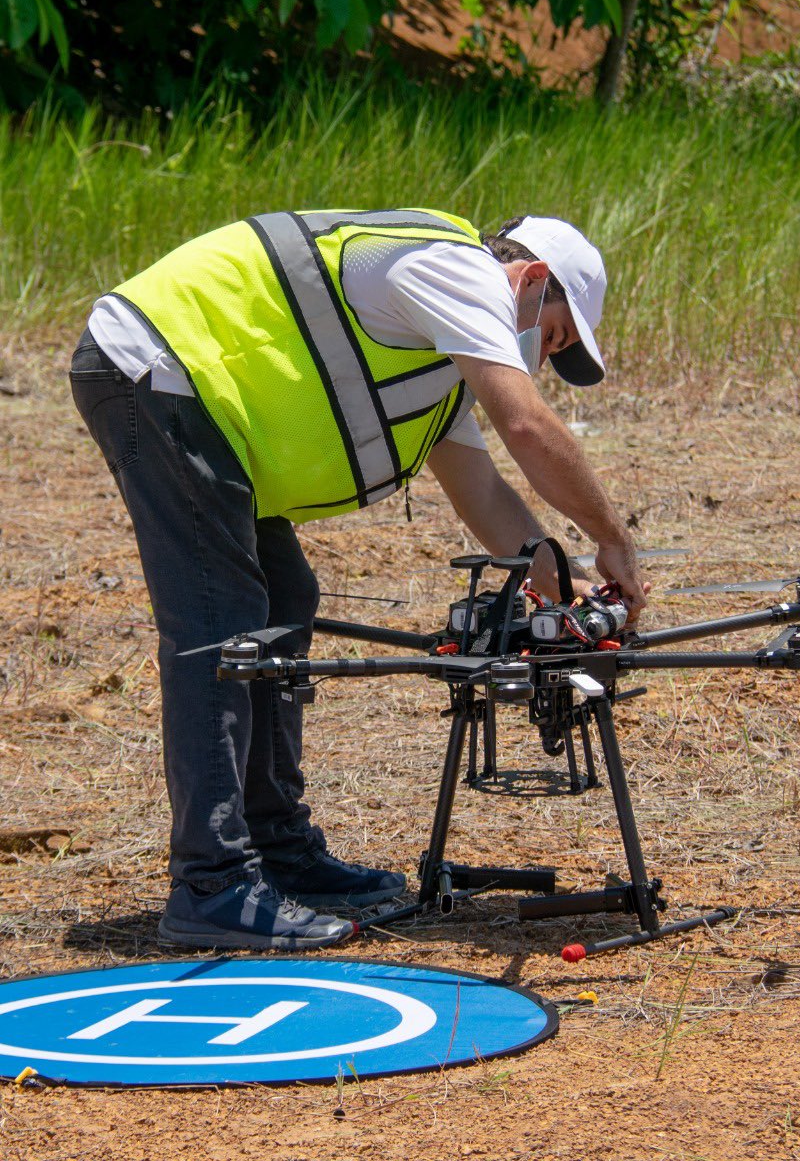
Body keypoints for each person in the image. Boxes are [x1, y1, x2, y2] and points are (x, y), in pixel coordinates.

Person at [69, 207, 646, 952]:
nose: (539, 359)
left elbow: (486, 497)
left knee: (285, 600)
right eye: (554, 335)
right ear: (532, 279)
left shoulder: (443, 364)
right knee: (223, 621)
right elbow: (527, 427)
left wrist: (566, 604)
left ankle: (279, 851)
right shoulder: (456, 269)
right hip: (157, 366)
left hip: (208, 406)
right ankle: (211, 884)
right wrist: (612, 538)